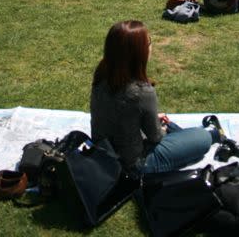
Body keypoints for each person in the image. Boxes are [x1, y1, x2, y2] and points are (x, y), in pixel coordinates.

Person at [90, 20, 222, 174]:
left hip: (103, 155)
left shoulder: (101, 75)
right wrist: (162, 128)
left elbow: (119, 115)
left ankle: (184, 133)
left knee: (175, 130)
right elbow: (155, 137)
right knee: (202, 138)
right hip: (134, 165)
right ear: (139, 52)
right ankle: (213, 133)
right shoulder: (142, 91)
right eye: (149, 42)